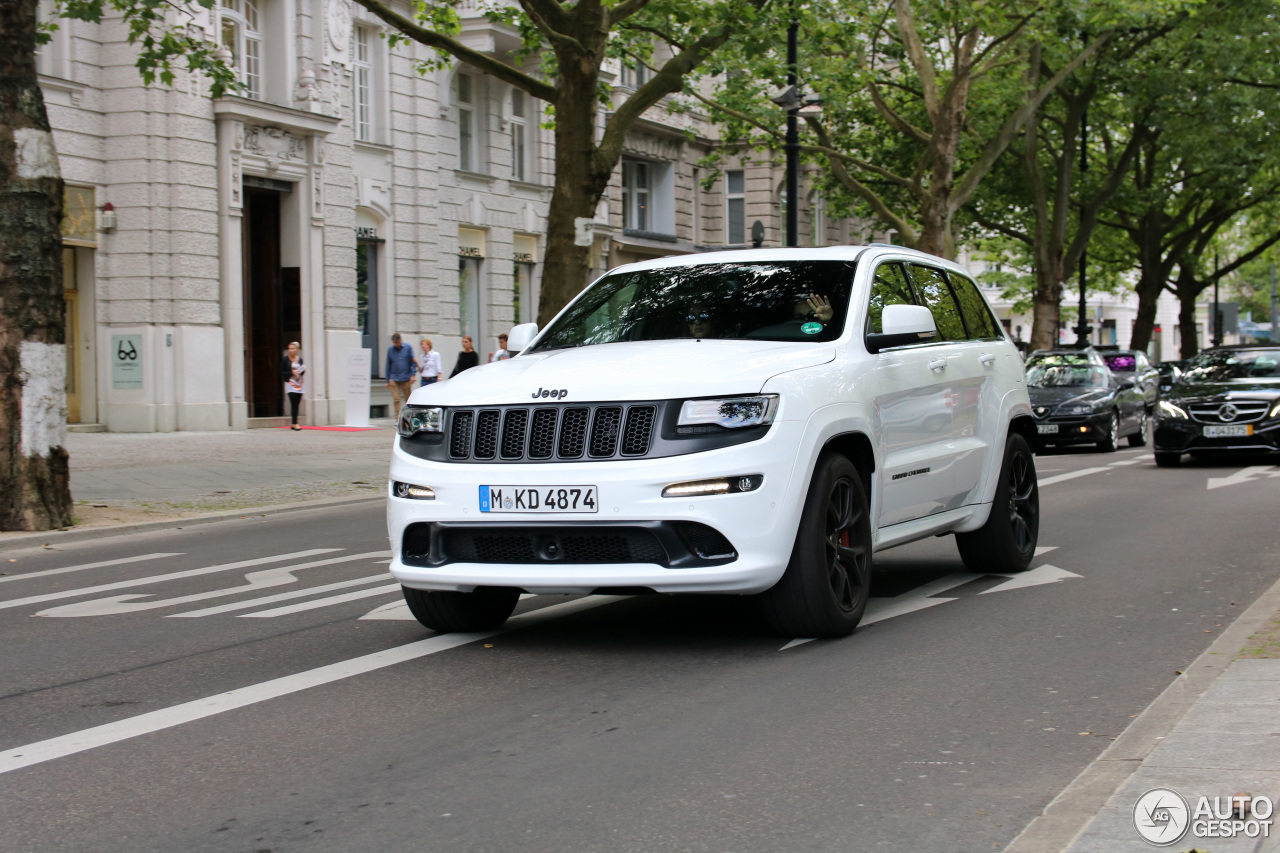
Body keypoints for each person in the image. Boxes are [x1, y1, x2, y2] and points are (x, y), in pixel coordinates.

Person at [385, 333, 417, 418]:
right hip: (393, 378)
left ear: (400, 341)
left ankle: (409, 418)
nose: (396, 344)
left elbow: (413, 362)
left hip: (406, 377)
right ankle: (397, 419)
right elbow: (388, 364)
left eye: (397, 342)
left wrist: (413, 375)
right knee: (396, 400)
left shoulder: (408, 348)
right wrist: (387, 380)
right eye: (394, 343)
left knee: (408, 399)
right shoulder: (390, 350)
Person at [279, 341, 305, 430]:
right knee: (293, 403)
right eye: (289, 349)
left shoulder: (300, 359)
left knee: (297, 404)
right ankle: (295, 423)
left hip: (300, 384)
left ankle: (294, 423)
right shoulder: (285, 360)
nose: (290, 350)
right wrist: (291, 372)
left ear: (297, 350)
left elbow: (302, 370)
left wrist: (302, 371)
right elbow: (281, 372)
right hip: (290, 384)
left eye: (292, 349)